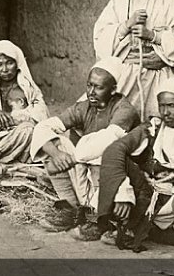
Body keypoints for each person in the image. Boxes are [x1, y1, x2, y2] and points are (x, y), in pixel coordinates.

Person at [96, 76, 174, 255]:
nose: (165, 112)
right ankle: (130, 223)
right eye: (162, 106)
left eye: (172, 106)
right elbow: (116, 149)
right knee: (117, 160)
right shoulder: (152, 128)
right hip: (153, 194)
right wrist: (122, 192)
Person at [29, 57, 139, 238]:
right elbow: (43, 127)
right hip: (87, 170)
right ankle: (70, 210)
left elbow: (108, 140)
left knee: (106, 154)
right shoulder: (84, 107)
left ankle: (97, 220)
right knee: (55, 144)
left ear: (113, 90)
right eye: (89, 85)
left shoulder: (124, 110)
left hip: (117, 176)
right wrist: (57, 154)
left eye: (99, 87)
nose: (91, 92)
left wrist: (71, 159)